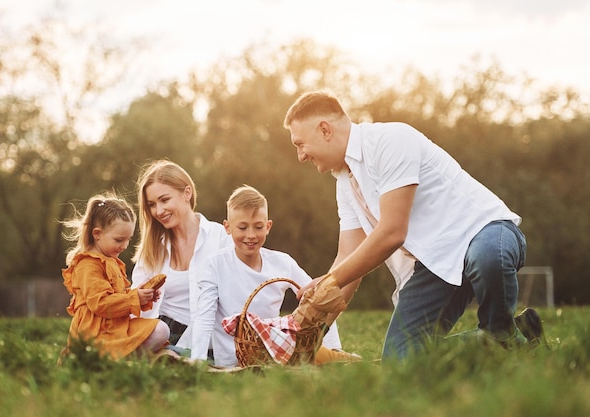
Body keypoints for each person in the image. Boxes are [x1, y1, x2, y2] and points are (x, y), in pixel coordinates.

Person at [283, 91, 545, 360]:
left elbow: (393, 232)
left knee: (488, 258)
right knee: (400, 360)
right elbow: (347, 259)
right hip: (434, 264)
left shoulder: (391, 140)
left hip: (484, 231)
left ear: (325, 129)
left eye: (300, 144)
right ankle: (519, 332)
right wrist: (315, 332)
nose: (301, 156)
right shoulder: (345, 184)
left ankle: (502, 332)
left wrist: (328, 282)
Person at [191, 185, 361, 368]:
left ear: (268, 226)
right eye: (242, 227)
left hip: (277, 354)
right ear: (228, 227)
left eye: (258, 227)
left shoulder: (282, 262)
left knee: (325, 358)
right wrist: (198, 360)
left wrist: (333, 346)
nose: (251, 235)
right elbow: (204, 316)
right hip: (234, 359)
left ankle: (337, 356)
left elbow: (319, 298)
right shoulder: (215, 264)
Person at [130, 160, 231, 354]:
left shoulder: (221, 239)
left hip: (207, 336)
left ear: (187, 193)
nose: (158, 211)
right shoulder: (152, 249)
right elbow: (135, 304)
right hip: (163, 333)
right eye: (152, 205)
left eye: (165, 200)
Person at [60, 193, 170, 361]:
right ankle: (107, 361)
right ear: (97, 234)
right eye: (119, 239)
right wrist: (133, 298)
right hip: (96, 332)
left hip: (115, 325)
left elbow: (117, 297)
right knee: (161, 330)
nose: (124, 245)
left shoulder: (111, 261)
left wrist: (141, 295)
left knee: (161, 330)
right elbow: (101, 303)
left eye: (128, 239)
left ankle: (121, 360)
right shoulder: (88, 264)